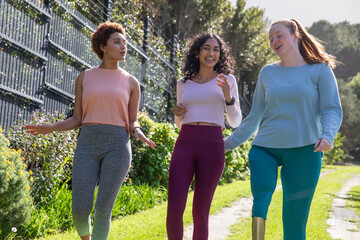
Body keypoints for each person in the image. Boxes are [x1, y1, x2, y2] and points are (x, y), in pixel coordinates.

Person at [24, 22, 156, 240]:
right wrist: (50, 128)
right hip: (87, 145)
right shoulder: (85, 77)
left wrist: (138, 131)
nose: (123, 47)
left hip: (118, 146)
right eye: (117, 42)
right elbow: (78, 118)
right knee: (79, 209)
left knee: (103, 209)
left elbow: (132, 121)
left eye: (125, 43)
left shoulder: (132, 83)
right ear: (103, 46)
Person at [224, 18, 342, 240]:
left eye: (278, 35)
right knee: (261, 200)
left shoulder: (320, 70)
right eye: (270, 38)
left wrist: (327, 136)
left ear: (295, 35)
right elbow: (255, 116)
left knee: (295, 221)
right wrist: (227, 144)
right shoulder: (267, 73)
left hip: (305, 151)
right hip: (265, 148)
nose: (274, 41)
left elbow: (331, 108)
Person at [167, 33, 242, 240]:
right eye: (207, 48)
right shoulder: (183, 83)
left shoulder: (227, 80)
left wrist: (228, 97)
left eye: (216, 49)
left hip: (212, 145)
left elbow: (235, 122)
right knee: (174, 206)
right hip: (185, 143)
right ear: (198, 52)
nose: (211, 53)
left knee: (200, 212)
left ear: (221, 54)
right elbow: (180, 123)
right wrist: (177, 114)